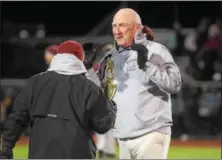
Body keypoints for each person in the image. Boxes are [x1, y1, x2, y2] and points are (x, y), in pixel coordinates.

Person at [0, 40, 117, 159]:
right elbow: (103, 125)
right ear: (79, 59)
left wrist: (6, 147)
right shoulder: (90, 88)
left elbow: (17, 117)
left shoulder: (35, 83)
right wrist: (111, 106)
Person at [97, 8, 181, 159]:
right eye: (114, 26)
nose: (117, 31)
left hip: (151, 132)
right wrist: (89, 70)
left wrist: (147, 66)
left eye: (122, 25)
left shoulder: (156, 50)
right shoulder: (111, 57)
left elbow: (174, 85)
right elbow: (100, 92)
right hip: (123, 136)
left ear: (137, 27)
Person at [82, 41, 117, 159]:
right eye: (108, 51)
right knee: (103, 127)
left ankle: (107, 151)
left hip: (110, 100)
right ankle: (103, 150)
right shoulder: (98, 66)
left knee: (110, 128)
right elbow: (92, 82)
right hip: (101, 100)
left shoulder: (114, 66)